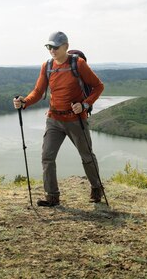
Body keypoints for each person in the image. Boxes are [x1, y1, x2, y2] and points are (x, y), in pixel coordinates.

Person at [13, 31, 105, 207]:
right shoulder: (47, 66)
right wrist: (24, 102)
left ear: (66, 47)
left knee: (86, 156)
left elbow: (98, 86)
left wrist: (85, 105)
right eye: (49, 47)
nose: (52, 50)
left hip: (75, 119)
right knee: (47, 157)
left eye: (55, 47)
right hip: (54, 118)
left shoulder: (78, 64)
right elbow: (38, 92)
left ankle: (96, 187)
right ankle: (52, 196)